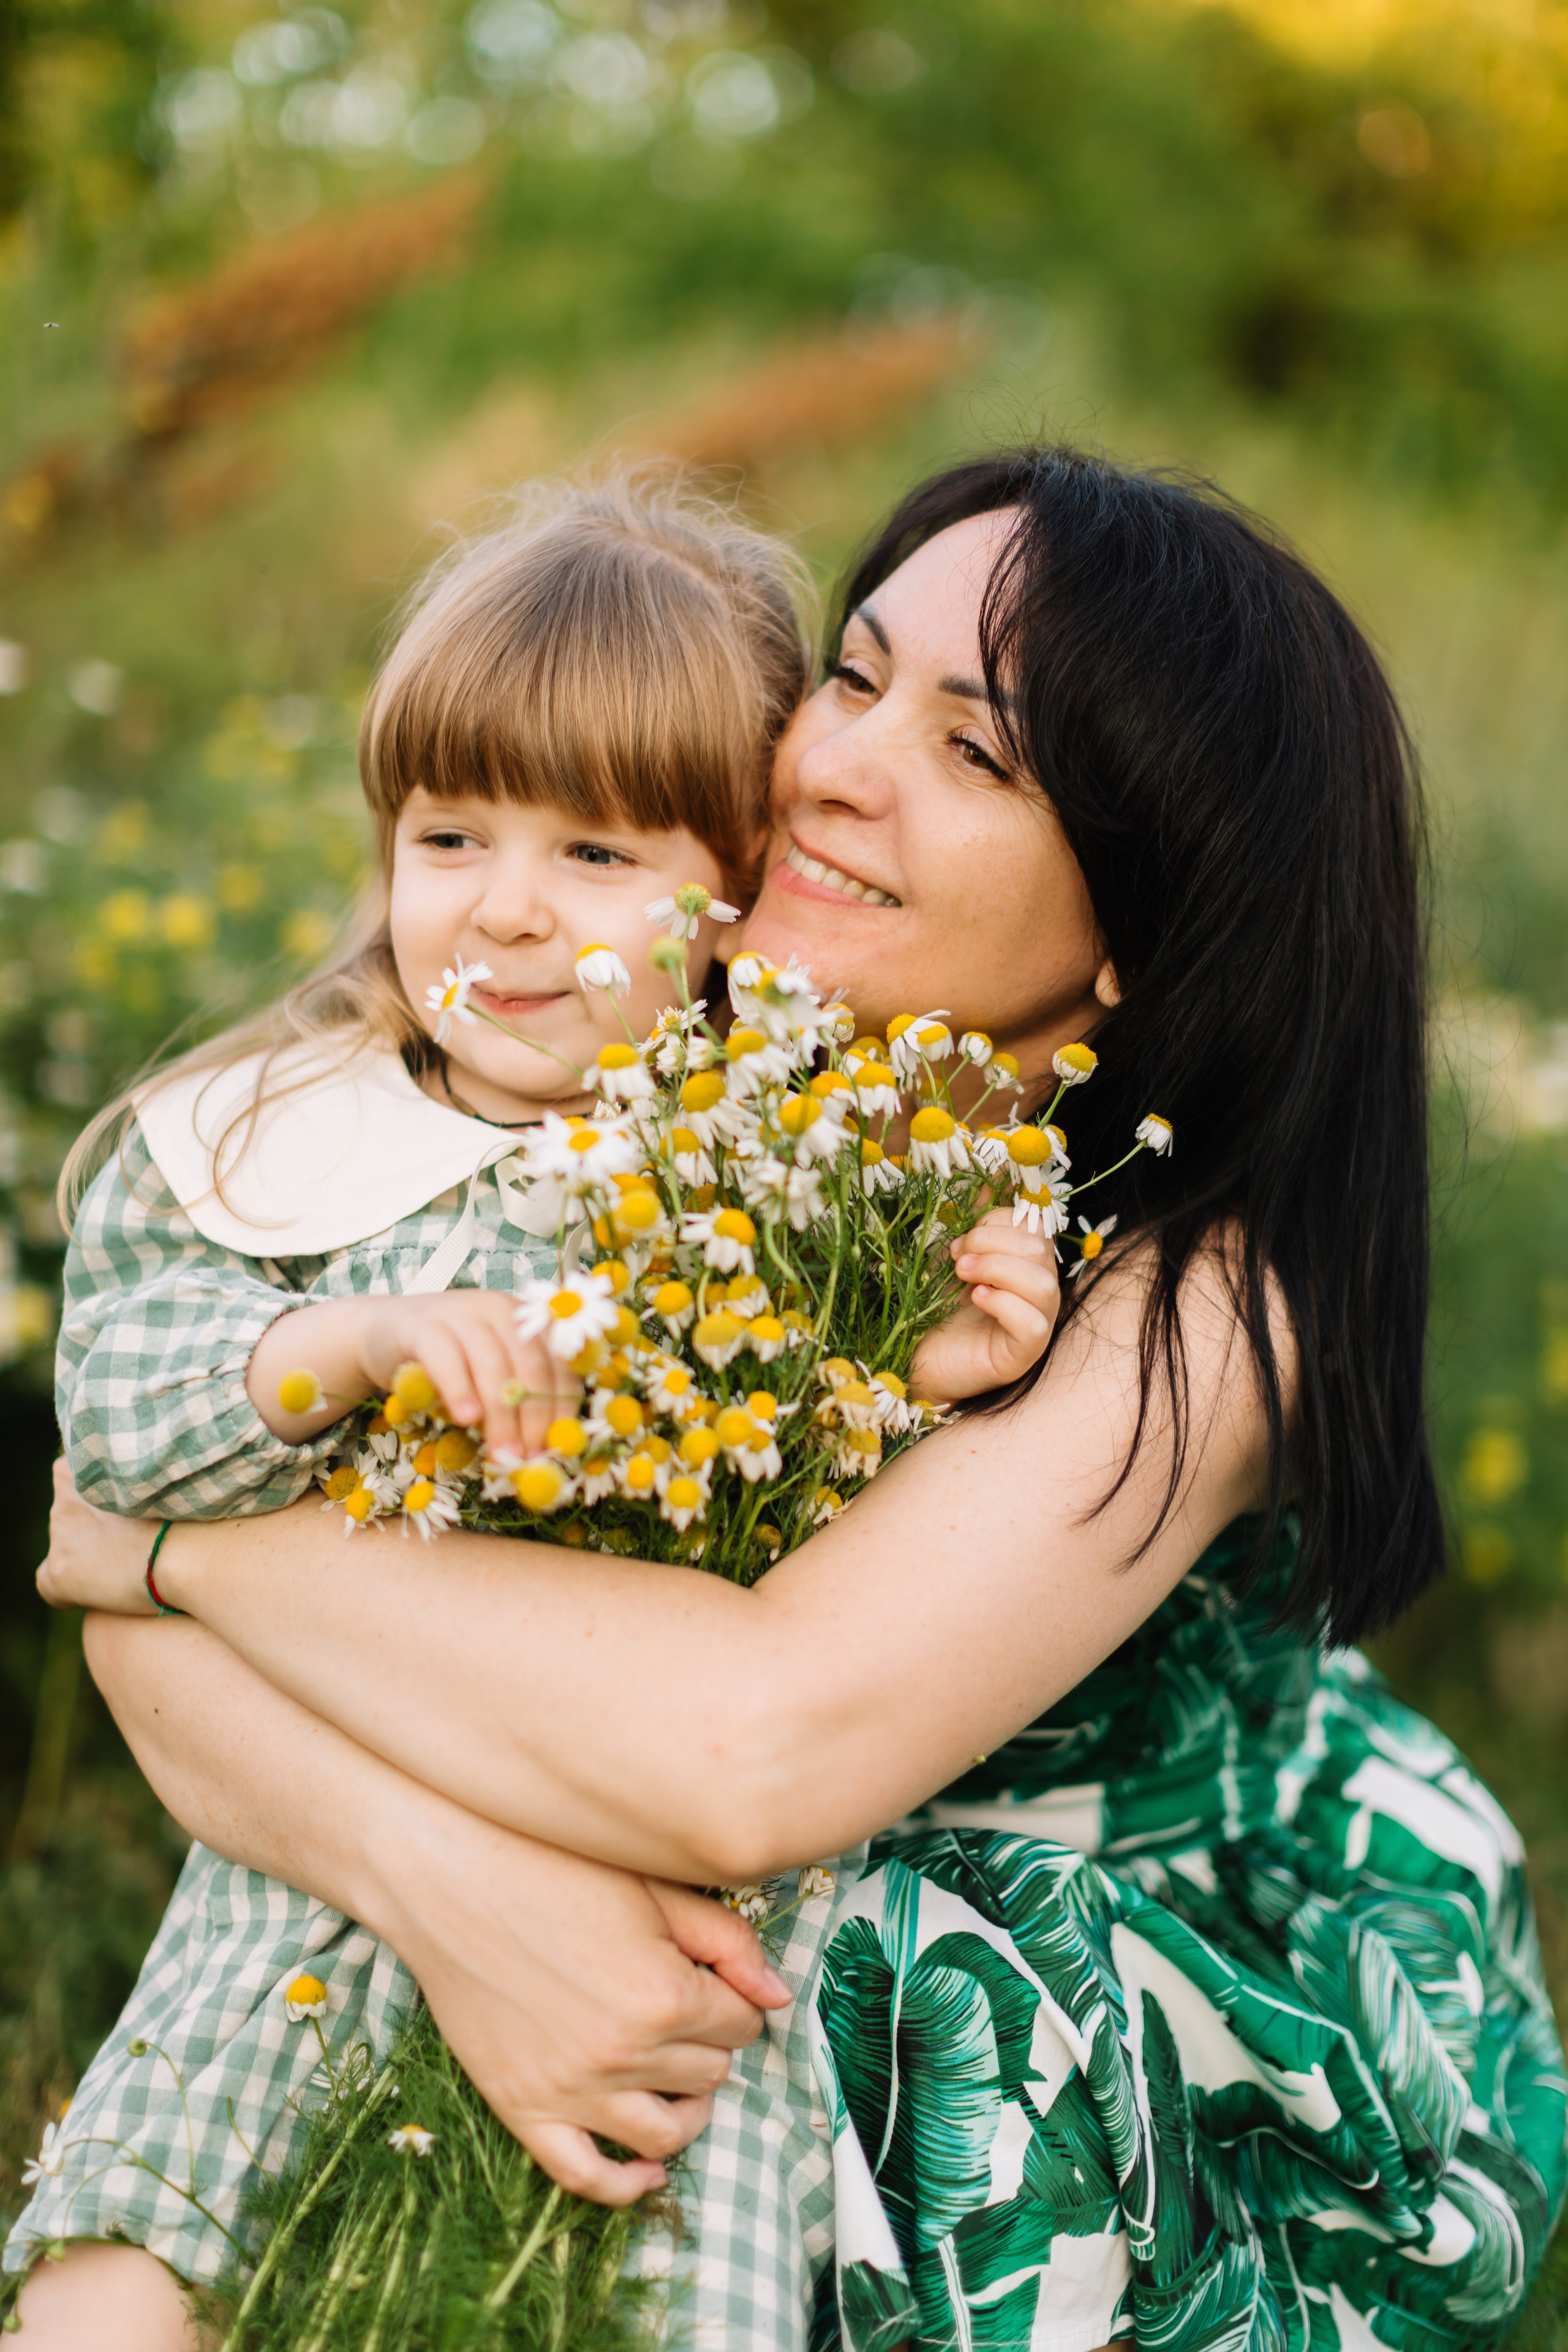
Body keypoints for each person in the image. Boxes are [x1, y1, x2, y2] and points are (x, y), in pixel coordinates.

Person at [24, 448, 1568, 2352]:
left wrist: (171, 1541)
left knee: (886, 1999)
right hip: (615, 1861)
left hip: (1057, 1962)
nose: (833, 763)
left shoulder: (1202, 1299)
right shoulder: (607, 1038)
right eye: (850, 675)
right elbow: (148, 1654)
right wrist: (454, 1894)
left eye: (978, 755)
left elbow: (749, 1753)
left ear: (1135, 928)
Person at [4, 466, 1058, 2347]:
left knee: (612, 2288)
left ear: (729, 898)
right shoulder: (277, 1134)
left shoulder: (745, 1168)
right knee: (127, 2287)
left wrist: (918, 1363)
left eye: (594, 857)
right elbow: (120, 1442)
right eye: (449, 833)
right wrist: (340, 1350)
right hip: (292, 1915)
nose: (502, 914)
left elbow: (798, 1536)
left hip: (653, 1939)